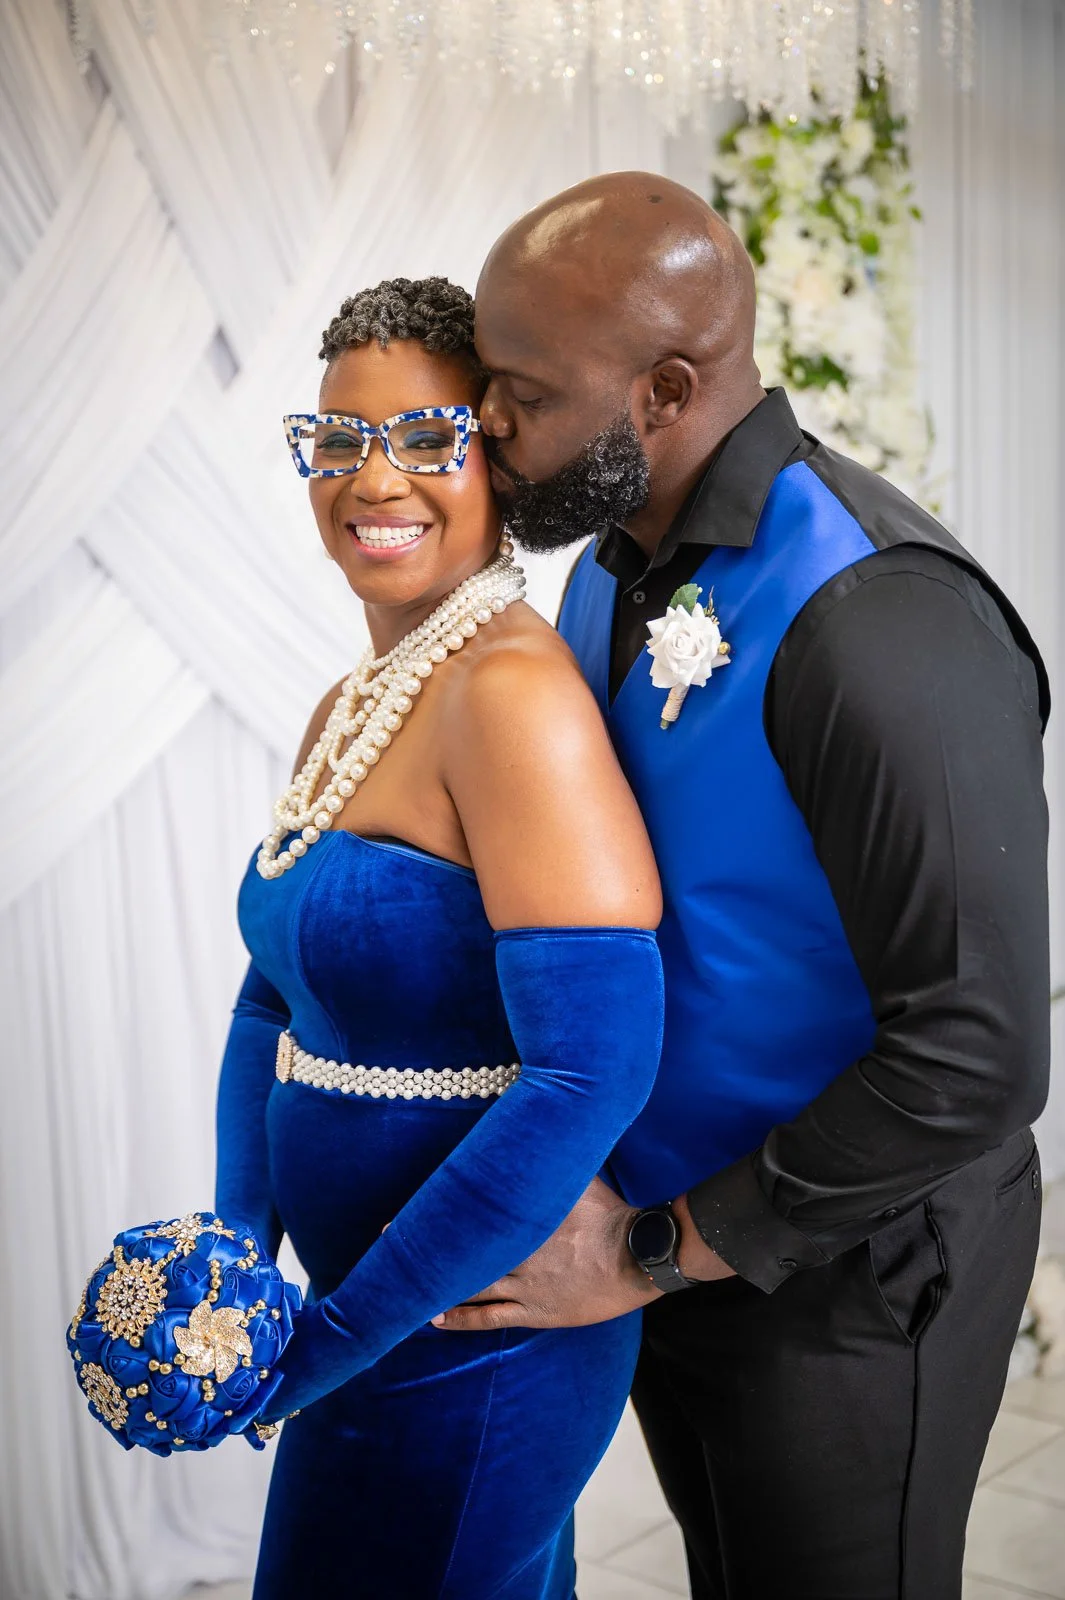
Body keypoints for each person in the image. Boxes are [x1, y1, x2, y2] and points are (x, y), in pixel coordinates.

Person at [435, 175, 1052, 1600]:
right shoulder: (608, 563)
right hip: (672, 1245)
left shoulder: (879, 613)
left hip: (849, 1270)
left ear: (664, 388)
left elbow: (977, 1054)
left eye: (520, 390)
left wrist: (655, 1251)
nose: (486, 426)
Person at [213, 276, 665, 1599]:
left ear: (495, 454)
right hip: (352, 1325)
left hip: (470, 1343)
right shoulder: (350, 704)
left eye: (427, 436)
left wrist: (333, 1337)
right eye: (340, 440)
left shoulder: (513, 697)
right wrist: (244, 1247)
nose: (375, 479)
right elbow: (270, 1000)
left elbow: (595, 1070)